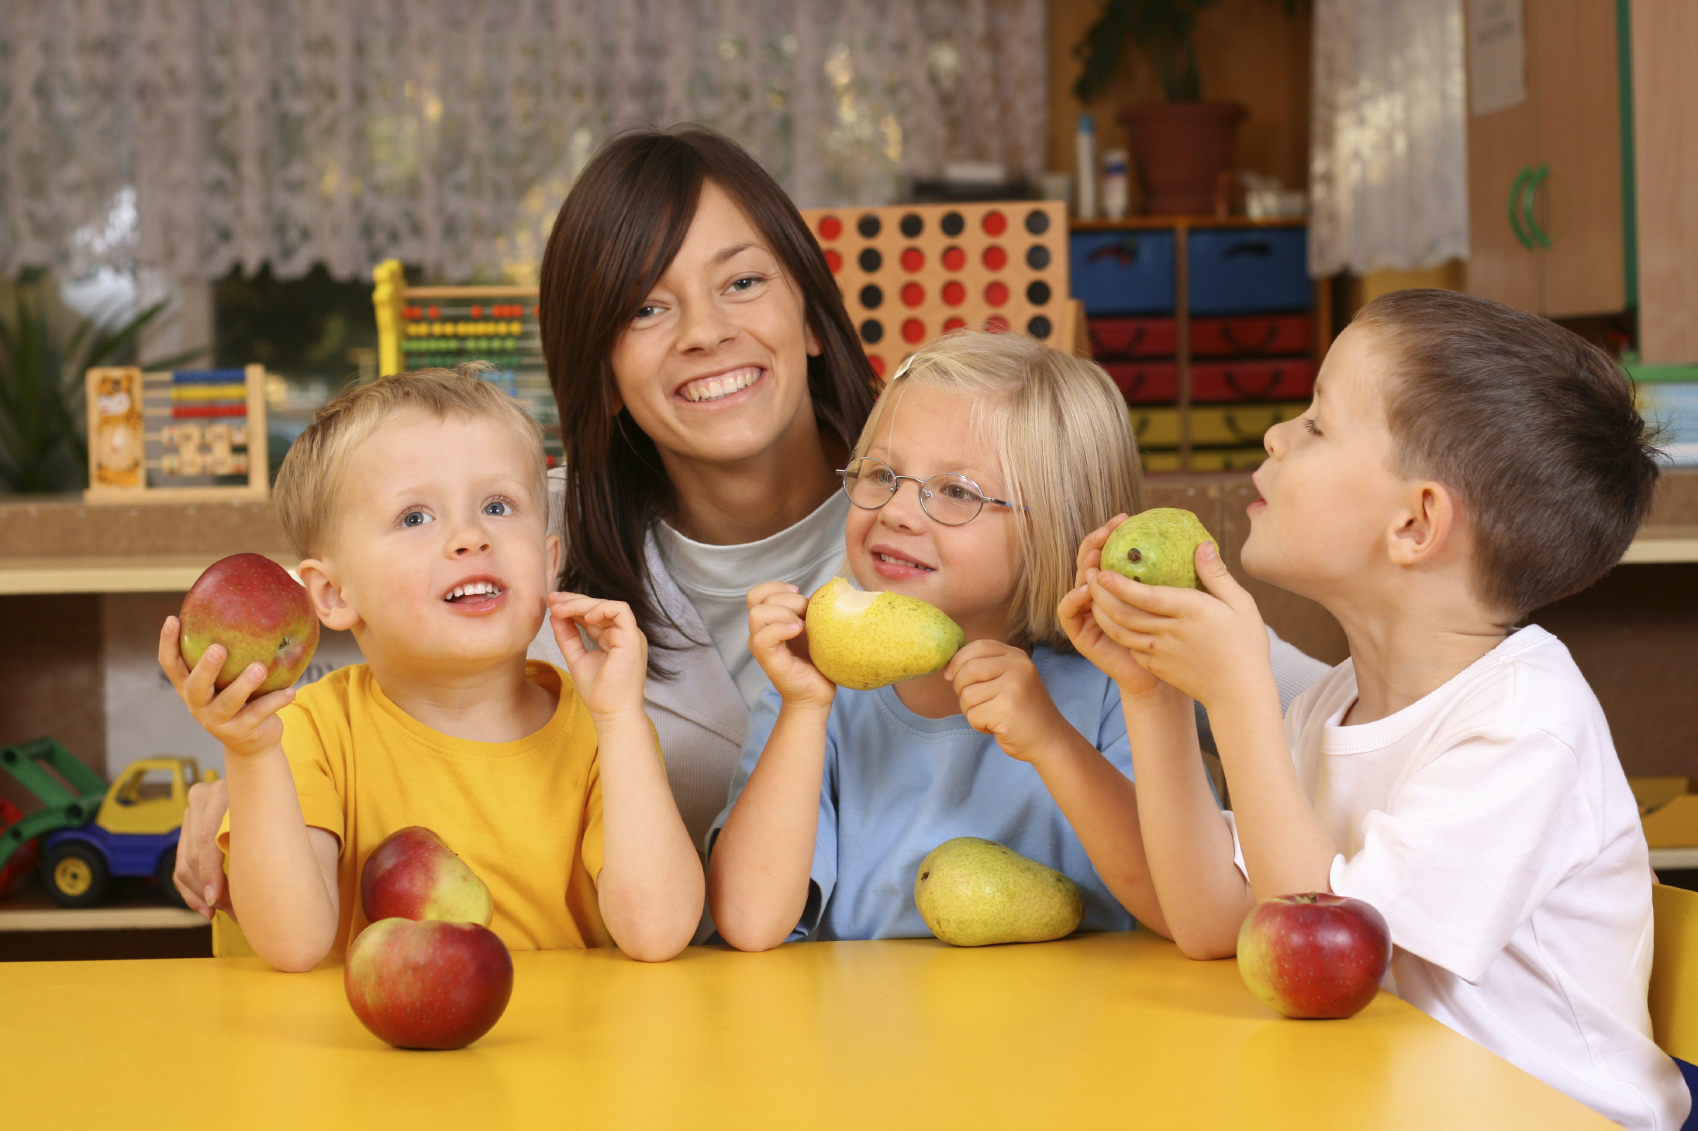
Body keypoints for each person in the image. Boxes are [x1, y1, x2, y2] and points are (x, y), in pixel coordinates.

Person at [172, 125, 1328, 921]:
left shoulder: (942, 511)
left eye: (741, 283)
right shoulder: (527, 541)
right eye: (643, 307)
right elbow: (406, 697)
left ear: (811, 314)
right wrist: (250, 784)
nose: (705, 335)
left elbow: (1289, 700)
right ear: (598, 364)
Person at [1070, 290, 1688, 1130]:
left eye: (1317, 425)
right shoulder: (1335, 704)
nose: (1275, 436)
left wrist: (1241, 695)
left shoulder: (1525, 725)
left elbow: (1330, 972)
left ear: (1416, 521)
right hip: (1382, 1093)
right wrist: (1155, 694)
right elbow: (1215, 922)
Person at [709, 331, 1313, 949]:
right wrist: (805, 708)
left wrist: (1052, 742)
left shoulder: (1123, 687)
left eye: (956, 492)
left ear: (1056, 526)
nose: (896, 510)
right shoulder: (812, 692)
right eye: (881, 473)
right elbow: (752, 923)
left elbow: (1184, 911)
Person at [158, 367, 702, 969]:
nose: (470, 537)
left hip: (567, 1054)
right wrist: (252, 753)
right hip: (373, 1058)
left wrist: (622, 719)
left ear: (549, 563)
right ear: (333, 595)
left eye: (498, 505)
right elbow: (294, 945)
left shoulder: (604, 731)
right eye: (415, 517)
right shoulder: (304, 732)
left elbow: (659, 932)